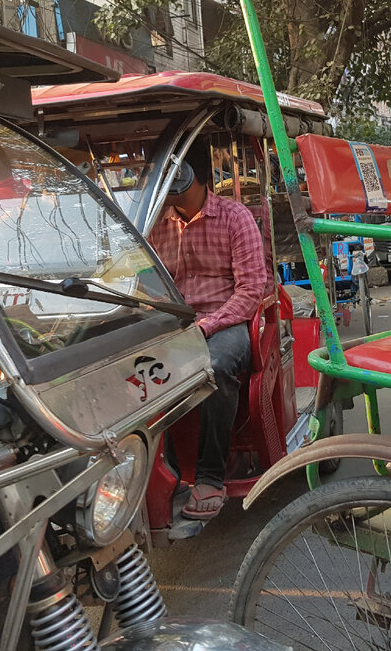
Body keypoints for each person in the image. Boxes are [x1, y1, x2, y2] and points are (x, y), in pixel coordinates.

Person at [148, 139, 266, 521]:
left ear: (196, 177)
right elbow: (144, 282)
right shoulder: (155, 224)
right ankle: (157, 474)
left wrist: (209, 324)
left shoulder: (235, 218)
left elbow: (250, 289)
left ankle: (211, 476)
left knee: (214, 366)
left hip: (226, 322)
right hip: (174, 324)